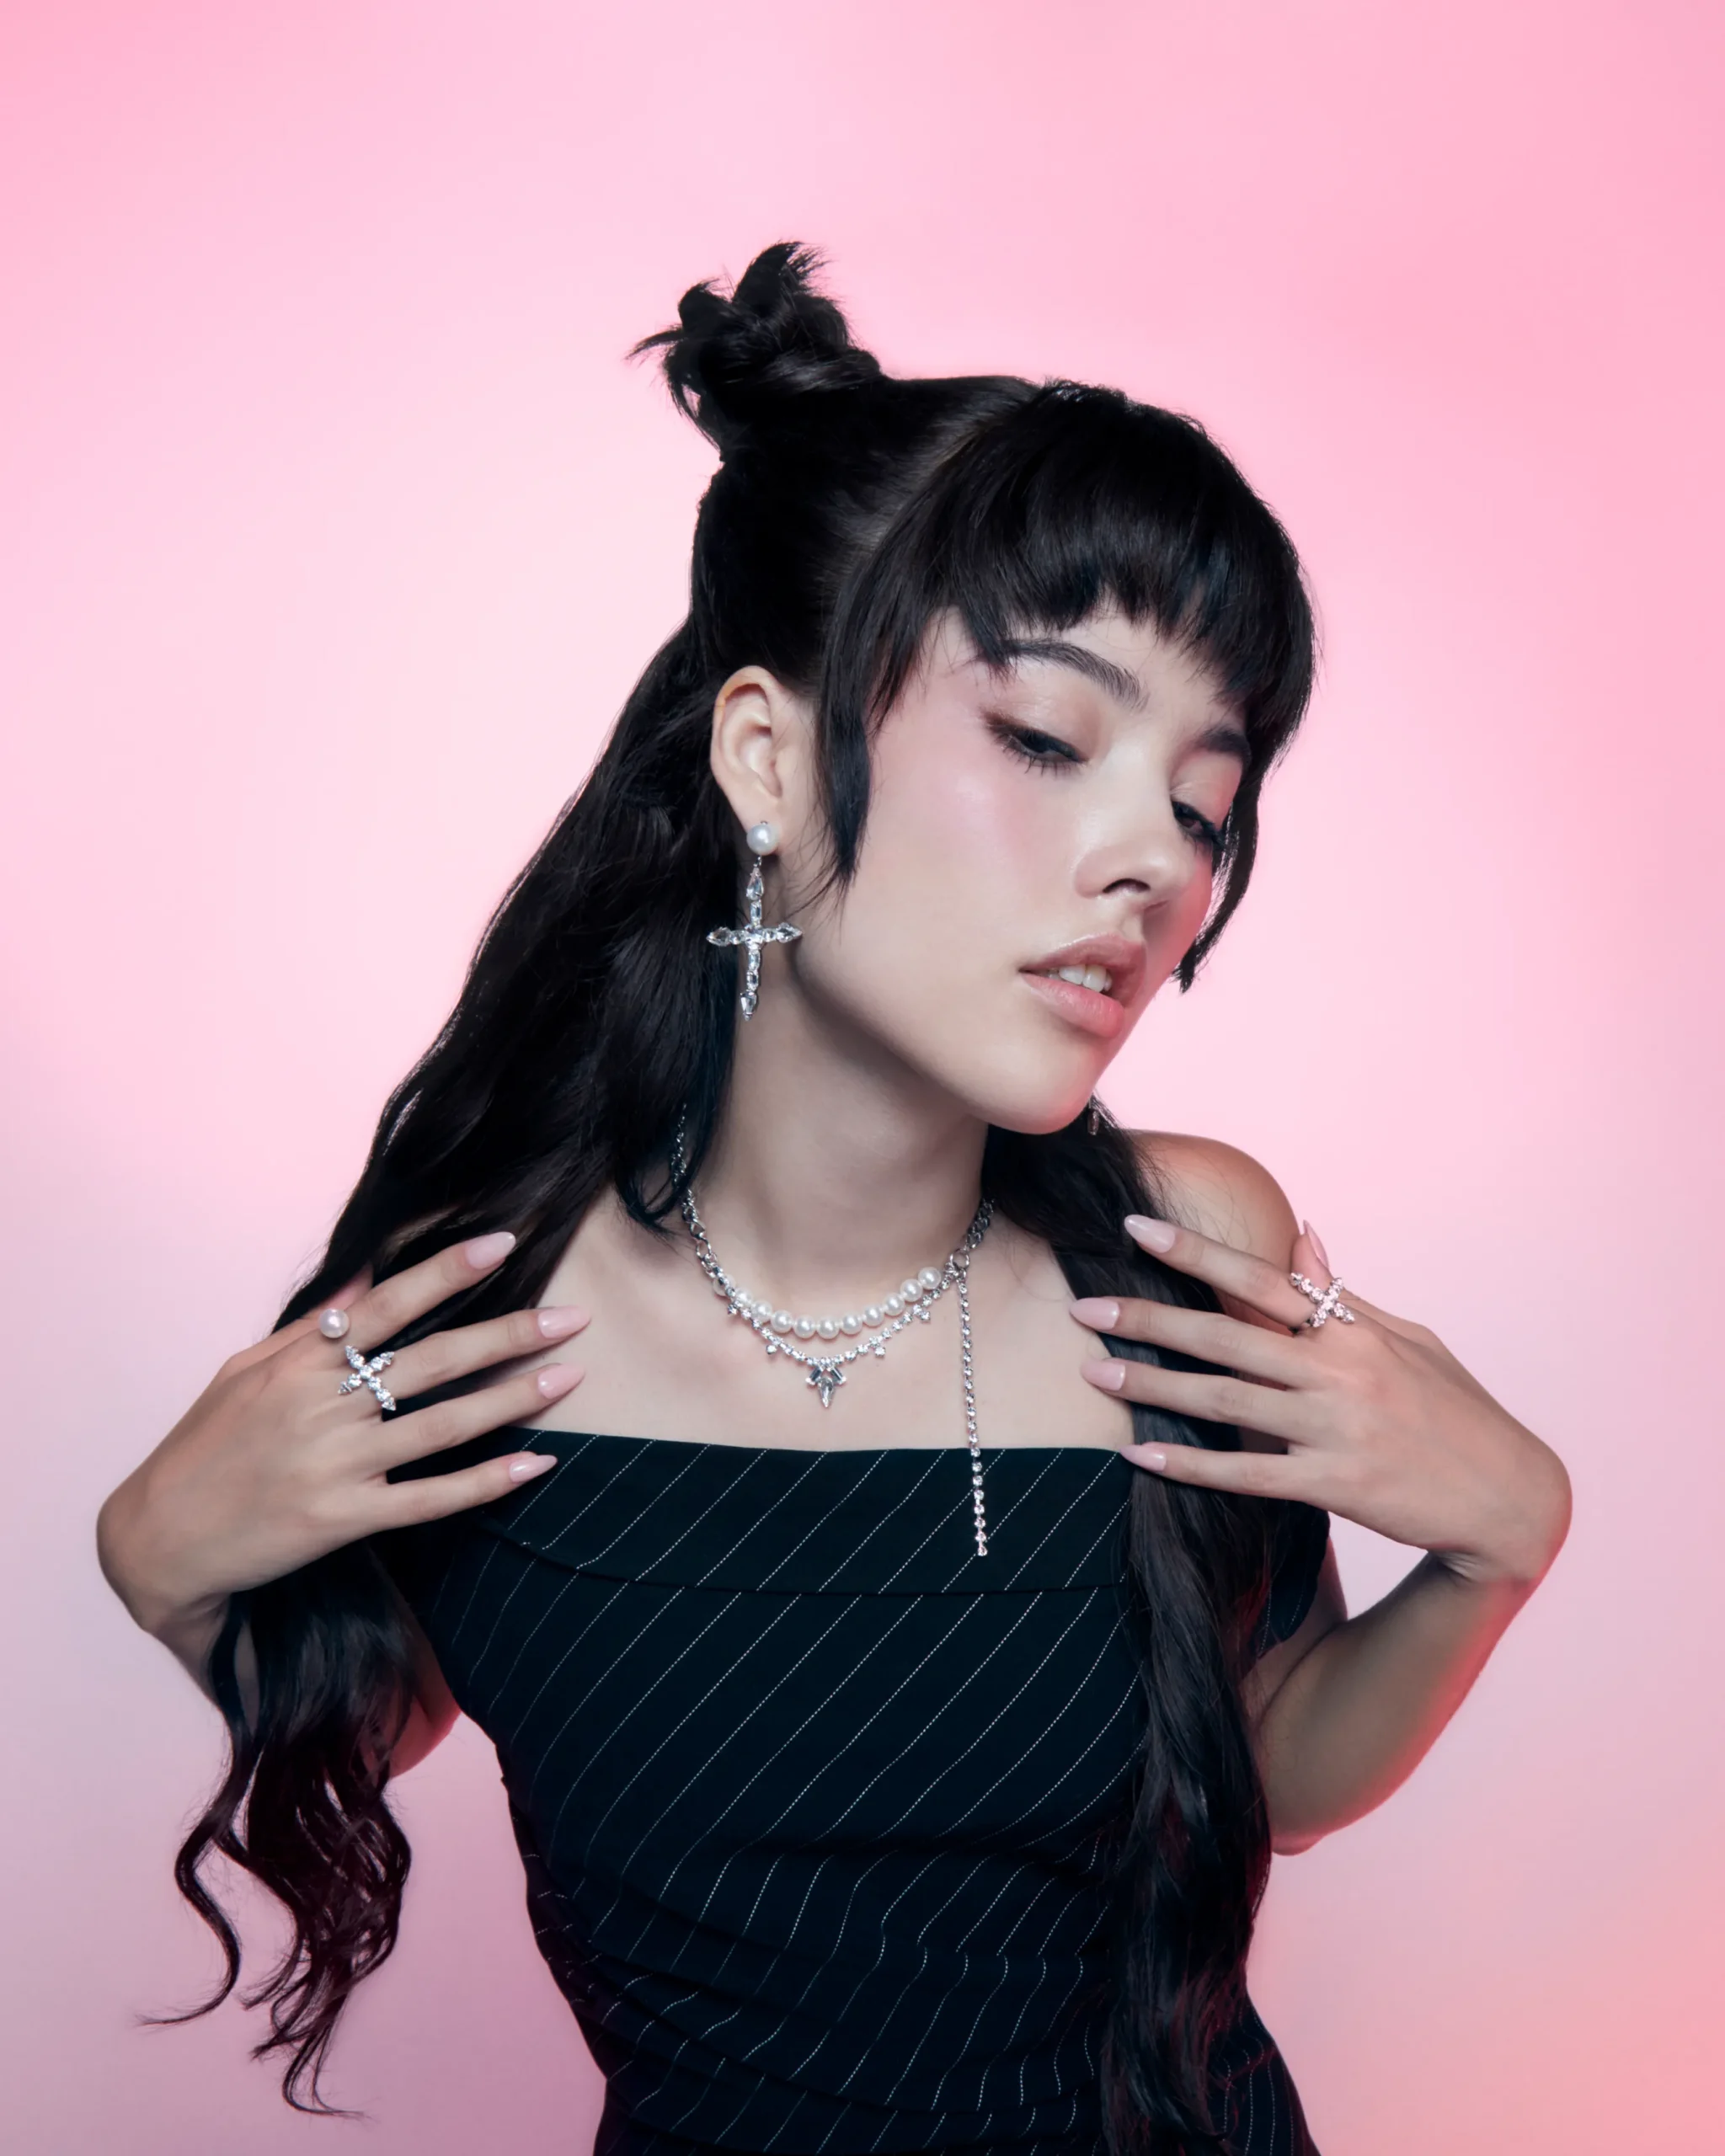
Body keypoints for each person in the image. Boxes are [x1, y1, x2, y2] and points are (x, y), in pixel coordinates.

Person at [96, 244, 1571, 2156]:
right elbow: (378, 1720)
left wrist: (1499, 1544)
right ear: (770, 758)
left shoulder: (1186, 1247)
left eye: (1204, 803)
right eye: (1047, 740)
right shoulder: (487, 1310)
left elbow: (1272, 1757)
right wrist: (160, 1558)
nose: (1153, 859)